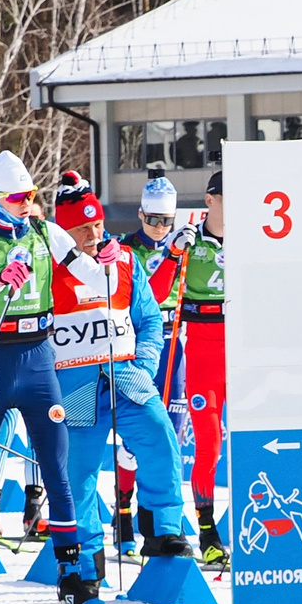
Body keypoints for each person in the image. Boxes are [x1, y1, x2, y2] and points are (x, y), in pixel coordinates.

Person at [0, 150, 107, 604]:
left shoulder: (44, 232)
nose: (27, 204)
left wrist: (107, 255)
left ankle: (72, 578)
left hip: (38, 361)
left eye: (31, 195)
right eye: (17, 197)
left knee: (57, 468)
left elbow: (90, 273)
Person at [49, 173, 190, 572]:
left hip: (126, 378)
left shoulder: (124, 260)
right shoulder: (52, 267)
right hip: (75, 385)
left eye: (97, 225)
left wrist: (143, 365)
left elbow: (148, 320)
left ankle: (162, 529)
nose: (94, 235)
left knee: (161, 438)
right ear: (64, 231)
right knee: (78, 473)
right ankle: (88, 554)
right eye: (82, 229)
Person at [112, 169, 188, 548]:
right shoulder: (126, 249)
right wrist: (172, 256)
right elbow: (152, 298)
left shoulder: (183, 246)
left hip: (174, 343)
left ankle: (156, 520)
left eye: (167, 221)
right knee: (134, 436)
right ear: (141, 216)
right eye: (153, 220)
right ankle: (123, 509)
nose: (160, 227)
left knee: (170, 432)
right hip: (138, 346)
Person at [174, 168, 229, 565]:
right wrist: (175, 253)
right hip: (203, 349)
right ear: (210, 200)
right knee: (208, 444)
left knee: (247, 442)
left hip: (243, 349)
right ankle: (207, 530)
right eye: (228, 198)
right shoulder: (190, 238)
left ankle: (253, 522)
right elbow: (160, 290)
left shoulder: (255, 237)